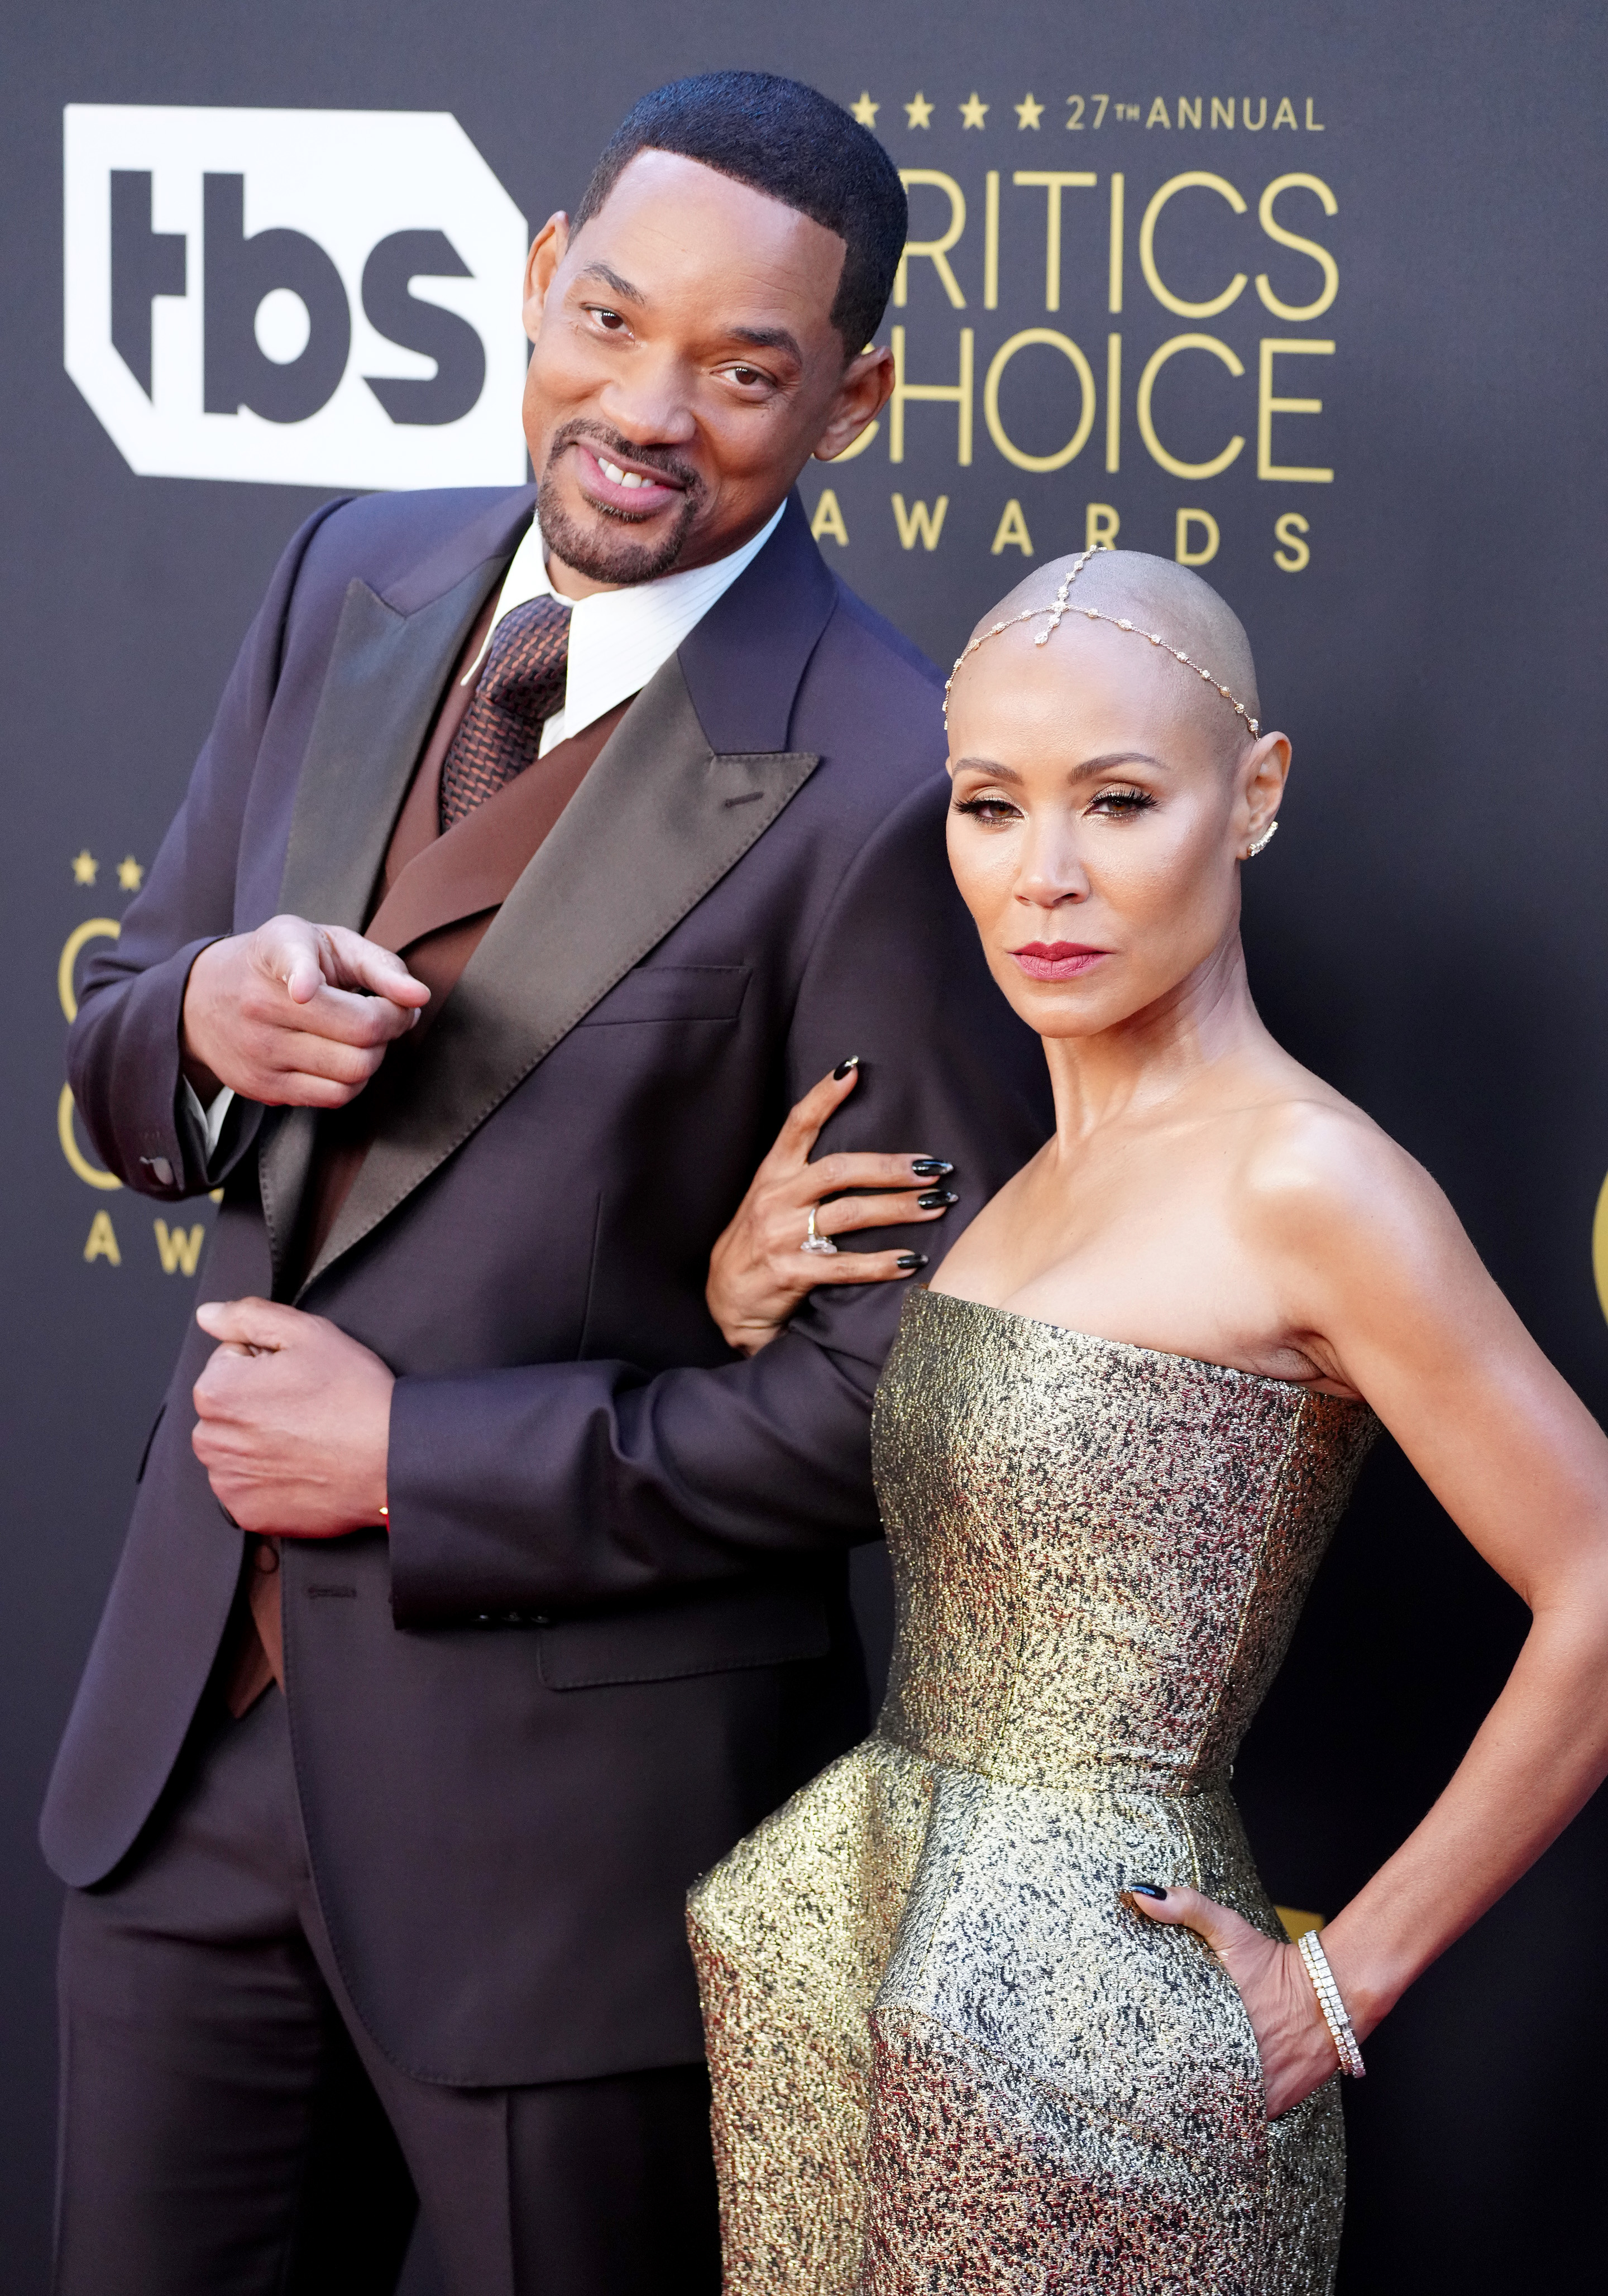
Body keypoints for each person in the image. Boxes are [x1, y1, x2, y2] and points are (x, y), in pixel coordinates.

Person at [45, 74, 1052, 2296]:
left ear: (856, 401)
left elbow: (915, 1410)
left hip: (570, 1869)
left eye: (746, 368)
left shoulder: (895, 782)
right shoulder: (351, 571)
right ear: (534, 285)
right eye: (608, 319)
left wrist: (416, 1458)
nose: (645, 409)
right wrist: (199, 1016)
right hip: (186, 1769)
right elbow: (119, 1027)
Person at [688, 548, 1608, 2293]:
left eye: (1118, 802)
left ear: (1253, 796)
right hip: (867, 1987)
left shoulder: (1312, 1180)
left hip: (1109, 2076)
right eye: (989, 805)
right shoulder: (1026, 1184)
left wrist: (1346, 1978)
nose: (1044, 876)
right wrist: (740, 1306)